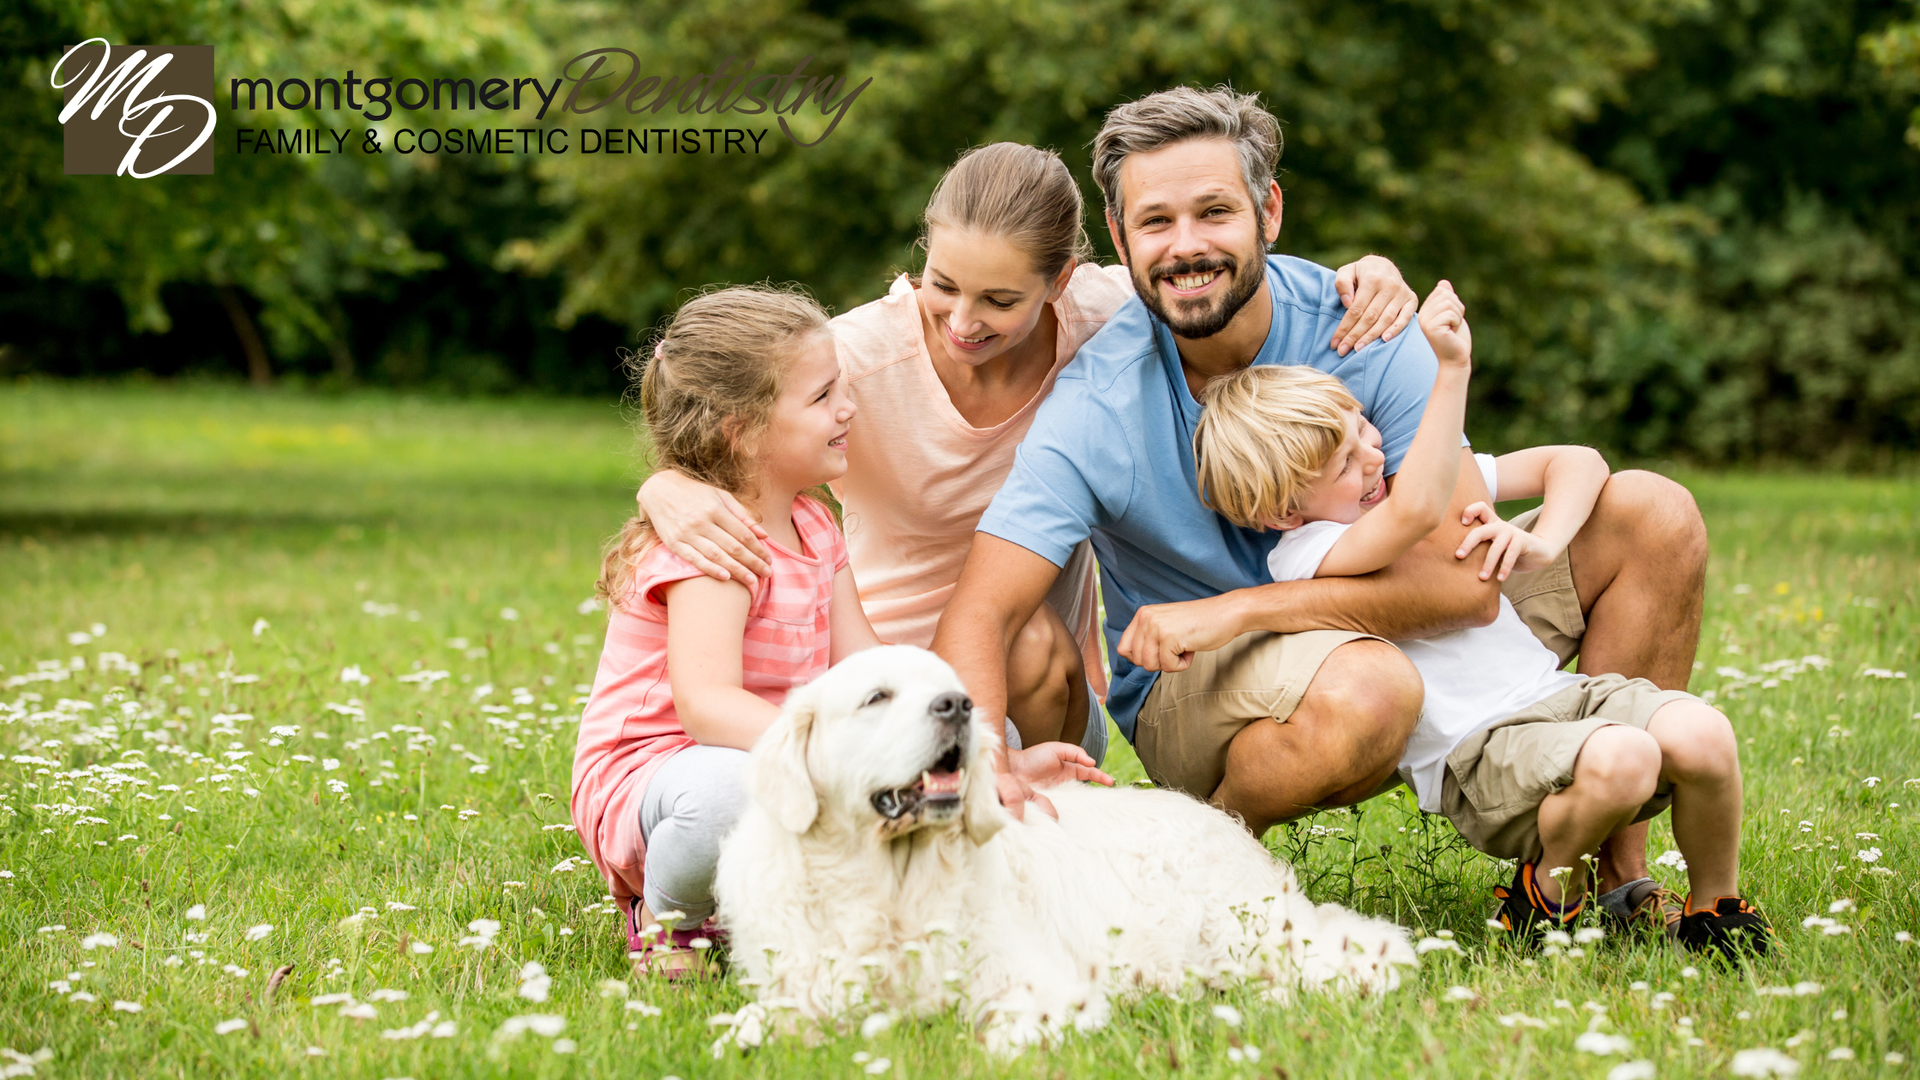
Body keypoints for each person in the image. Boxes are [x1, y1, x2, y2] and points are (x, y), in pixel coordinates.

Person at [931, 86, 1711, 934]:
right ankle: (1206, 872)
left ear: (1268, 210)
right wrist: (984, 759)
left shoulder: (1366, 329)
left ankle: (1609, 874)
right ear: (1119, 238)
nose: (1186, 246)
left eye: (1215, 211)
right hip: (1206, 687)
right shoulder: (1097, 405)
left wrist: (1236, 609)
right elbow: (980, 612)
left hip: (1355, 619)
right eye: (1154, 222)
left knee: (1652, 514)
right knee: (1370, 684)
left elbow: (1465, 592)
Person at [634, 143, 1418, 792]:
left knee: (1032, 638)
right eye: (942, 286)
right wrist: (664, 482)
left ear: (1060, 284)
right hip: (874, 664)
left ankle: (1036, 833)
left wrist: (1369, 271)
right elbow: (718, 407)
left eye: (1000, 301)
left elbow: (1212, 271)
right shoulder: (852, 361)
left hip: (1037, 681)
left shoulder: (1105, 321)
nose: (963, 322)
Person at [1192, 284, 1772, 959]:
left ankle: (1716, 911)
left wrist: (1544, 540)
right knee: (1626, 757)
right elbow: (1411, 512)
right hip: (1479, 752)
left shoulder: (1400, 487)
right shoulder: (1308, 553)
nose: (1375, 457)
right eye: (1345, 464)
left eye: (1365, 430)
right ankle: (1544, 896)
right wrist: (1450, 372)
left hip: (1560, 697)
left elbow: (1578, 462)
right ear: (1284, 512)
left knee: (1706, 735)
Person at [571, 284, 1107, 981]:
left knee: (963, 737)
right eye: (823, 397)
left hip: (765, 750)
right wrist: (831, 757)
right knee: (734, 791)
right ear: (742, 427)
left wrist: (980, 760)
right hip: (662, 776)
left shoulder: (815, 525)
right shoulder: (714, 547)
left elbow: (870, 665)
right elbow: (705, 706)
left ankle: (780, 895)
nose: (848, 408)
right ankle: (672, 921)